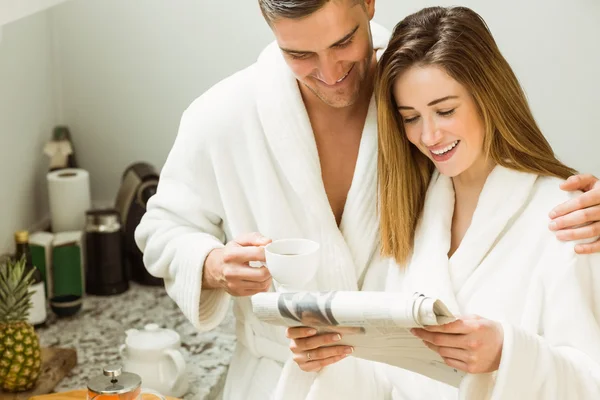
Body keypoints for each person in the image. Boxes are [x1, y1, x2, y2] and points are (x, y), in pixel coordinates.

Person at [134, 1, 600, 399]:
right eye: (300, 54)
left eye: (342, 43)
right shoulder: (223, 116)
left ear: (368, 3)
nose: (331, 72)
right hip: (288, 379)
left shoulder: (411, 75)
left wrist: (508, 354)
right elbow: (163, 227)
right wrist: (214, 264)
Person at [286, 6, 600, 399]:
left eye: (445, 110)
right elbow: (394, 377)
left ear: (488, 96)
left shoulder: (568, 215)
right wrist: (332, 356)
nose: (429, 135)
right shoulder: (414, 213)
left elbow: (592, 378)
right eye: (410, 117)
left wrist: (508, 353)